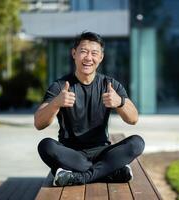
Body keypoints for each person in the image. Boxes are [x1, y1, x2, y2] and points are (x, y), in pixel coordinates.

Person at [34, 31, 145, 186]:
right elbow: (39, 123)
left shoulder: (109, 84)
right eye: (83, 52)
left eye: (94, 53)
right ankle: (109, 172)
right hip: (71, 154)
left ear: (101, 57)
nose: (88, 57)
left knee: (137, 143)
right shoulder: (60, 86)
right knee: (45, 146)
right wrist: (56, 103)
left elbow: (133, 119)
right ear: (74, 53)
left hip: (102, 152)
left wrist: (119, 102)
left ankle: (80, 177)